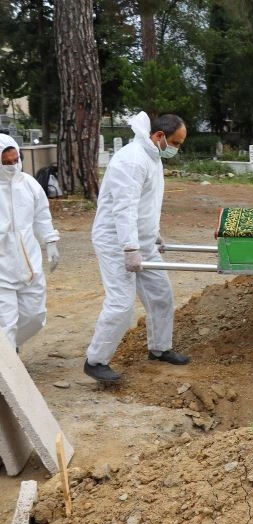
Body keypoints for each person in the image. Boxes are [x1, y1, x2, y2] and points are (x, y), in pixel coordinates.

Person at [83, 112, 190, 383]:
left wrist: (152, 235)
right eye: (176, 143)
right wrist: (130, 247)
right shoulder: (132, 160)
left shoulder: (152, 157)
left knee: (161, 295)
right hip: (116, 241)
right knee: (121, 303)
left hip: (141, 241)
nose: (177, 149)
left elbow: (145, 204)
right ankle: (95, 360)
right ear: (159, 136)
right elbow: (124, 208)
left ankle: (159, 348)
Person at [0, 134, 60, 351]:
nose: (12, 166)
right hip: (1, 267)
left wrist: (50, 242)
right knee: (5, 323)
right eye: (5, 162)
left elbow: (41, 216)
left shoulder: (30, 185)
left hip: (29, 263)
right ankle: (7, 373)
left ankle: (9, 349)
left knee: (35, 316)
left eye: (15, 160)